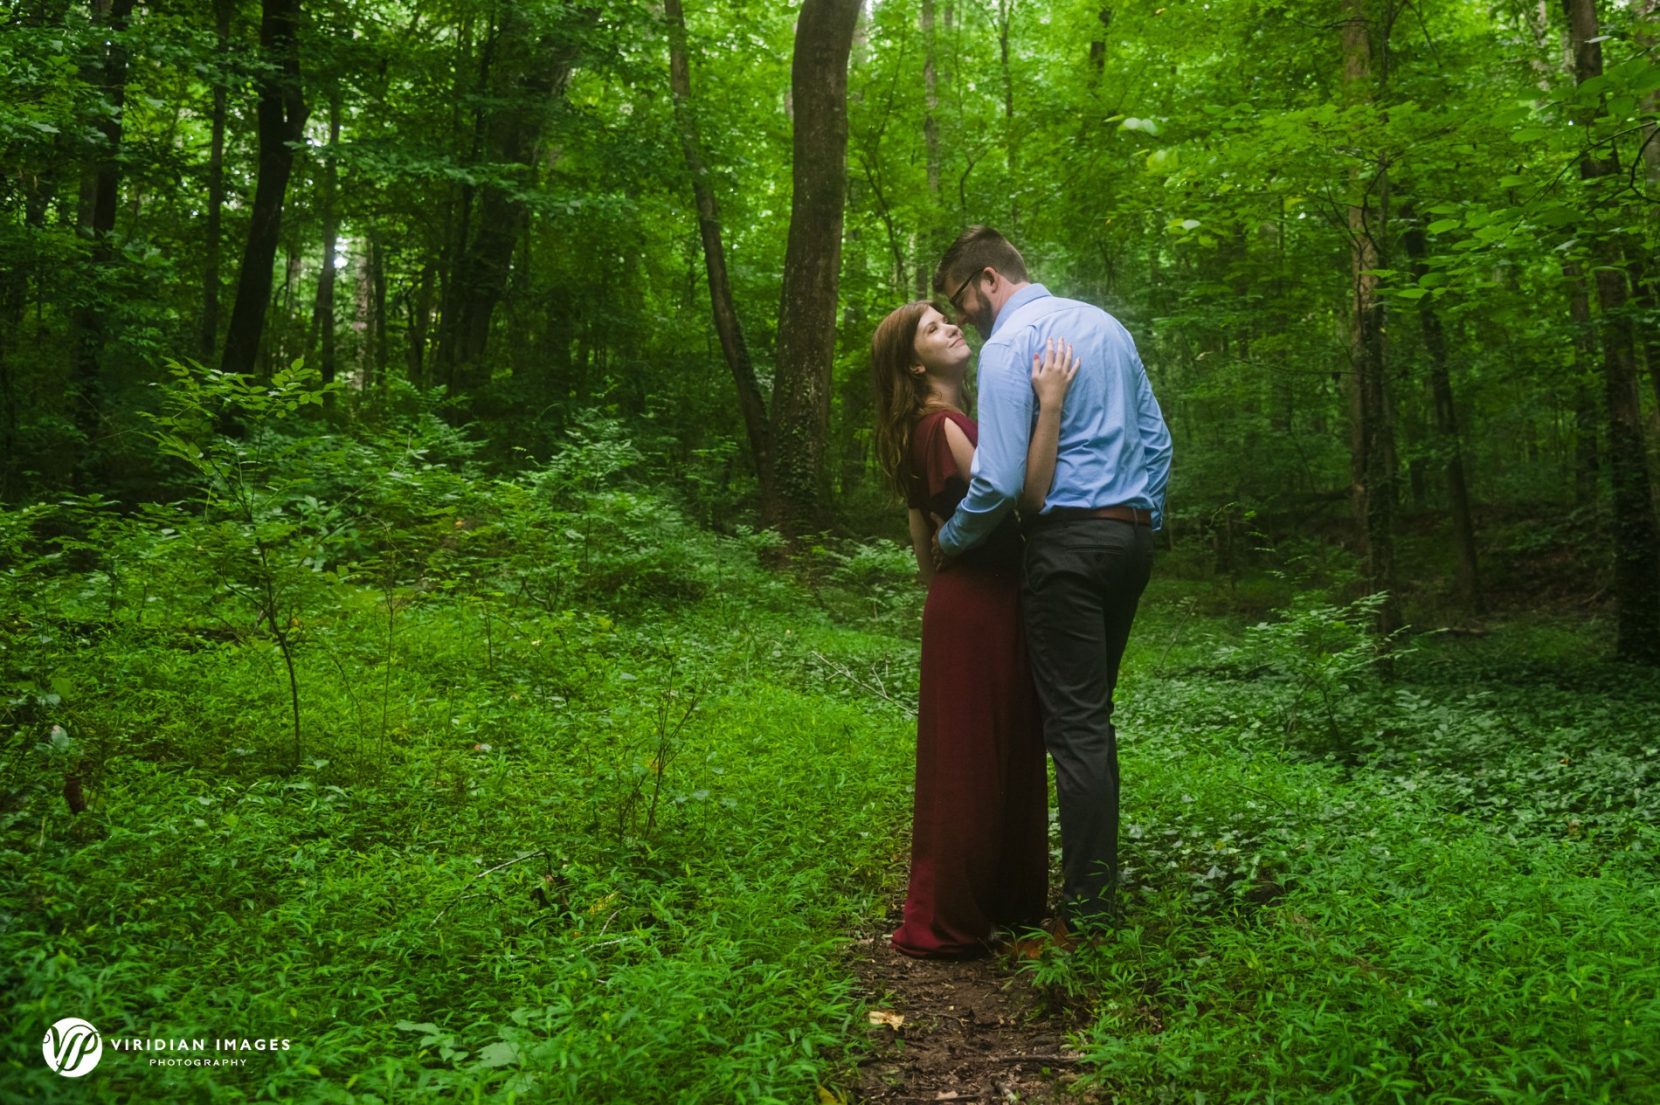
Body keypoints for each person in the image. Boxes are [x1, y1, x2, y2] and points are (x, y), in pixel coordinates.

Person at [931, 226, 1173, 935]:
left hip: (1066, 547)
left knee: (1077, 726)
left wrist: (951, 538)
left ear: (986, 280)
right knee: (1089, 720)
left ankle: (1093, 915)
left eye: (959, 298)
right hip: (1128, 541)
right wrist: (1142, 519)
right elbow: (1158, 442)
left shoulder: (1012, 343)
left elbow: (1001, 480)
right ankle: (1087, 892)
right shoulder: (1105, 325)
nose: (964, 317)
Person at [870, 300, 1079, 958]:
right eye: (933, 327)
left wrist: (946, 588)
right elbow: (1024, 495)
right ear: (913, 360)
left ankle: (995, 904)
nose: (951, 327)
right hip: (982, 602)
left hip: (968, 602)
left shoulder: (925, 427)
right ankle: (958, 916)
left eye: (946, 317)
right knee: (975, 761)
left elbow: (919, 537)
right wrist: (1050, 403)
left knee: (986, 753)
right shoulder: (943, 427)